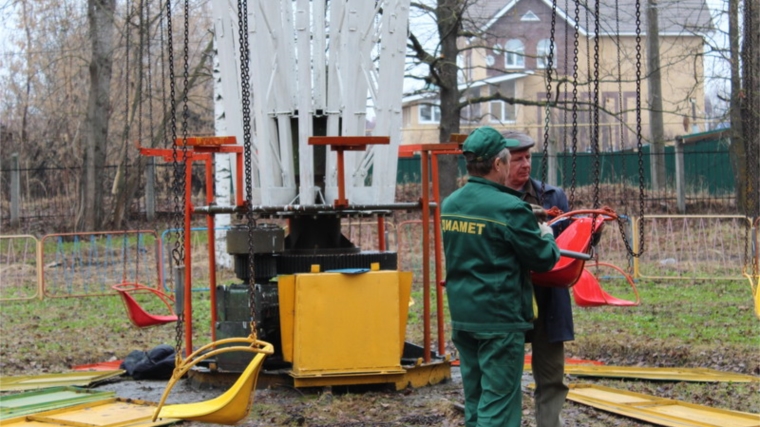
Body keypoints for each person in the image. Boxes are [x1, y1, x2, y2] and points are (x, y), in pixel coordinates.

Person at [441, 126, 560, 427]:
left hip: (465, 316)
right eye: (509, 160)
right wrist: (545, 234)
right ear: (497, 164)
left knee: (476, 399)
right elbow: (543, 259)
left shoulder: (451, 204)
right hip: (499, 320)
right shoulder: (510, 207)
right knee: (499, 405)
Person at [501, 130, 571, 427]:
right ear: (499, 163)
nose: (525, 164)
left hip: (548, 297)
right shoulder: (492, 200)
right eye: (518, 159)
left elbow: (569, 244)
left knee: (552, 376)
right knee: (503, 377)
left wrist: (591, 233)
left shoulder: (552, 197)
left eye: (528, 157)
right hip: (506, 297)